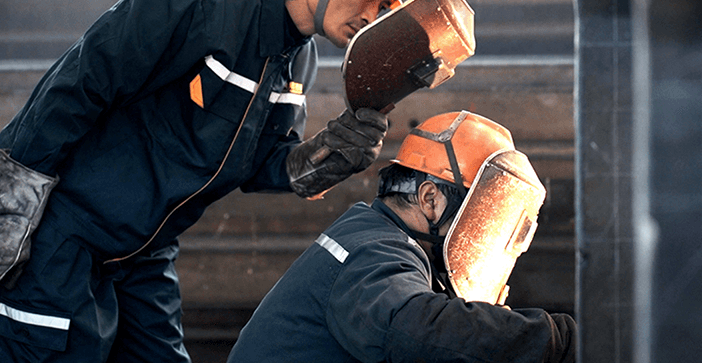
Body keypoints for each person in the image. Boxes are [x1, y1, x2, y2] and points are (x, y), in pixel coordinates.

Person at [0, 0, 425, 362]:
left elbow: (259, 164)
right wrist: (11, 204)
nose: (374, 16)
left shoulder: (299, 62)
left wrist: (325, 157)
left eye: (386, 6)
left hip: (145, 253)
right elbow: (76, 85)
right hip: (64, 241)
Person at [228, 111, 577, 363]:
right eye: (480, 218)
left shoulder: (383, 241)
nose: (481, 237)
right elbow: (416, 331)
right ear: (430, 199)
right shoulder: (371, 250)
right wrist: (561, 341)